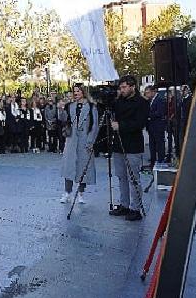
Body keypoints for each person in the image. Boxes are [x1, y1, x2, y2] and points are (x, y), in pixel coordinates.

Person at [108, 75, 149, 222]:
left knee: (133, 178)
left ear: (133, 87)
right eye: (121, 87)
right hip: (119, 145)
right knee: (121, 176)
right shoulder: (119, 101)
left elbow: (140, 123)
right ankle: (124, 205)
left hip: (133, 146)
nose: (122, 90)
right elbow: (108, 109)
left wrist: (121, 126)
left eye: (124, 87)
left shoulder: (141, 102)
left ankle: (135, 208)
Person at [59, 85, 99, 204]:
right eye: (74, 91)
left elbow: (95, 125)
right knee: (68, 166)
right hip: (71, 140)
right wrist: (62, 109)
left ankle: (81, 193)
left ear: (83, 92)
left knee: (83, 167)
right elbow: (62, 120)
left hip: (84, 140)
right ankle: (67, 192)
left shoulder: (92, 107)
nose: (76, 93)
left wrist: (90, 141)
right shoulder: (70, 106)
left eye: (78, 91)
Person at [144, 85, 166, 168]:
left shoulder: (159, 100)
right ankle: (152, 161)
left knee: (159, 143)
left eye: (148, 93)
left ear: (153, 92)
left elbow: (160, 113)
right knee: (152, 144)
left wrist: (149, 116)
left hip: (158, 126)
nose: (147, 95)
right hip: (151, 126)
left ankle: (161, 160)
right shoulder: (150, 101)